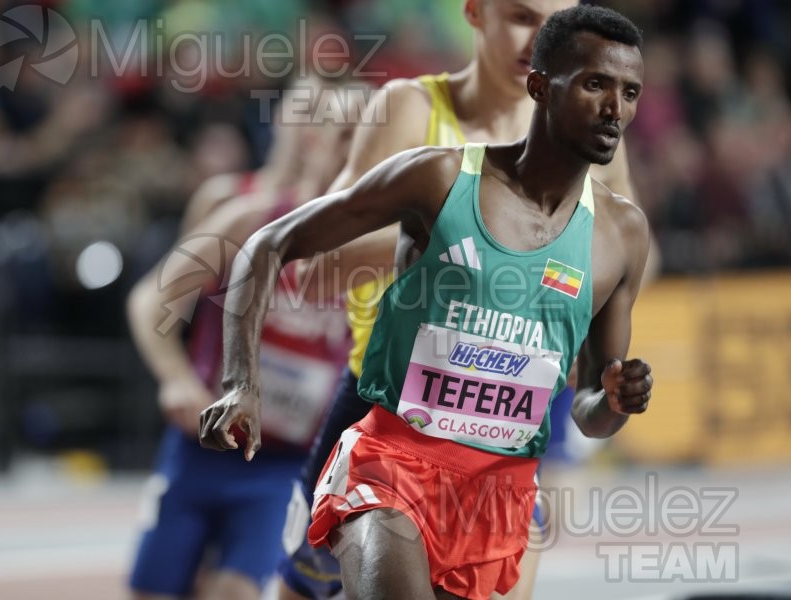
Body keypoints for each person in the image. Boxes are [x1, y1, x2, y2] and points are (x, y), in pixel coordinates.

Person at [199, 6, 654, 599]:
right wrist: (240, 381)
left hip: (500, 482)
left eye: (631, 92)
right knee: (302, 590)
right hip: (387, 438)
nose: (615, 107)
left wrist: (614, 397)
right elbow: (280, 247)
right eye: (596, 84)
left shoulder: (621, 227)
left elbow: (592, 405)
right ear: (540, 85)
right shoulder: (430, 159)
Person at [126, 78, 360, 600]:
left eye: (364, 138)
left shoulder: (377, 249)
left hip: (282, 463)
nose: (354, 150)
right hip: (200, 448)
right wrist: (177, 380)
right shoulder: (247, 212)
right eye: (342, 134)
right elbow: (154, 301)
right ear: (314, 138)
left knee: (234, 591)